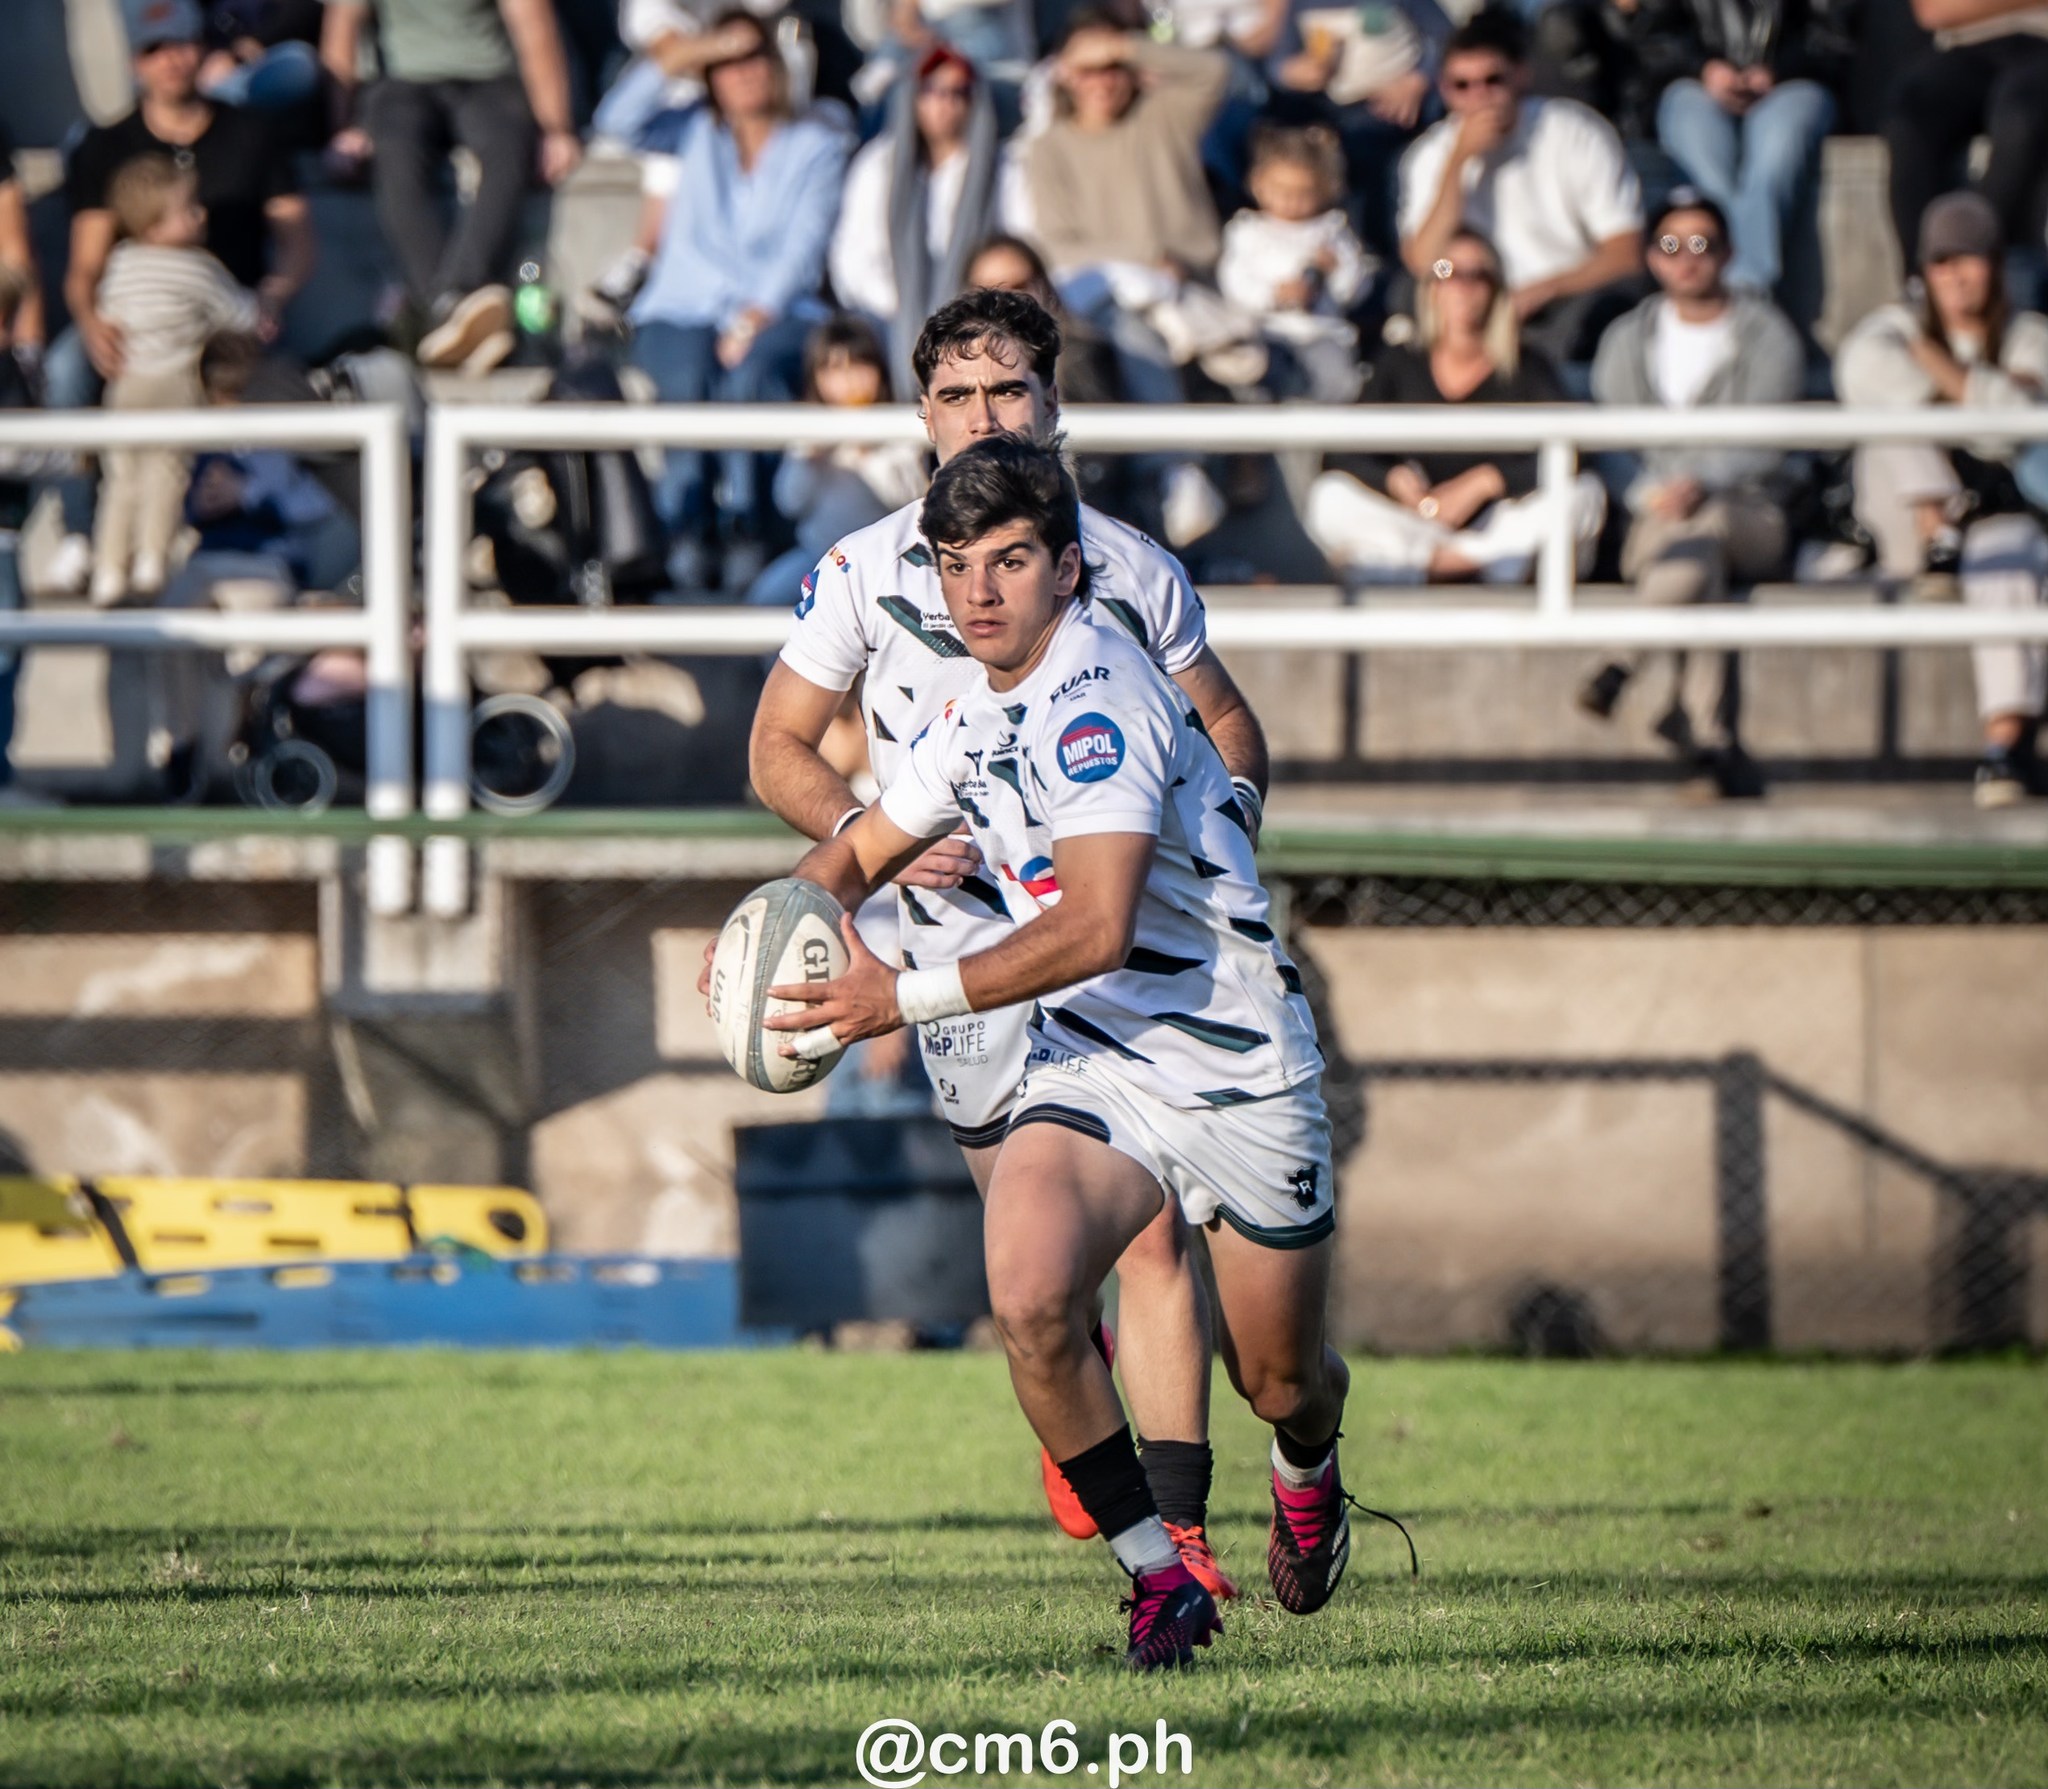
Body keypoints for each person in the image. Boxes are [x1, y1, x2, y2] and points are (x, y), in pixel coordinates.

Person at [758, 435, 1402, 1667]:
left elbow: (1096, 925)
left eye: (1009, 561)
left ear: (1067, 571)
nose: (978, 591)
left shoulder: (1095, 690)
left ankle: (1306, 1466)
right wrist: (775, 927)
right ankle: (1160, 1578)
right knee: (1031, 1298)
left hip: (1236, 1065)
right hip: (1096, 1060)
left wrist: (903, 993)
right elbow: (859, 847)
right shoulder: (966, 711)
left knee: (1275, 1377)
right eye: (954, 566)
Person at [747, 287, 1270, 1597]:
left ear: (1054, 404)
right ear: (921, 416)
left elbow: (1227, 722)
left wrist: (1228, 832)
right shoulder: (866, 571)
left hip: (1115, 955)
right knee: (1029, 1264)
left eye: (1010, 392)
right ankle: (1075, 1361)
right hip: (948, 961)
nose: (985, 416)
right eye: (958, 397)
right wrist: (875, 835)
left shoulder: (1130, 566)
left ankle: (1182, 1532)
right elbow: (775, 752)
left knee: (1150, 1233)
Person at [47, 0, 314, 595]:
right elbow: (83, 267)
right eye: (154, 48)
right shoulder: (105, 144)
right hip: (140, 329)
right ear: (135, 61)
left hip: (226, 320)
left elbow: (297, 242)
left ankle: (240, 523)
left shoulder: (252, 132)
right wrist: (92, 323)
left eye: (181, 43)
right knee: (65, 367)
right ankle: (80, 533)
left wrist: (273, 294)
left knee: (273, 373)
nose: (171, 60)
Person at [1581, 189, 1803, 796]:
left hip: (1750, 511)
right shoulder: (1626, 338)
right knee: (1697, 555)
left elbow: (1770, 441)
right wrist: (1656, 495)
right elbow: (1613, 444)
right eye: (1672, 245)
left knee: (1701, 528)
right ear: (1653, 257)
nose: (1688, 258)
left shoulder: (1767, 333)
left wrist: (1701, 482)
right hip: (1657, 519)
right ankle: (1710, 739)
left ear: (1727, 252)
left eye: (1701, 244)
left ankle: (1622, 659)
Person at [1836, 190, 2048, 808]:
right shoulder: (1887, 329)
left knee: (2006, 555)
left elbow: (2014, 426)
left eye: (1971, 258)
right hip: (1905, 519)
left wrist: (1934, 368)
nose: (1956, 275)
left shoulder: (2029, 334)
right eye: (1942, 261)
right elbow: (1863, 375)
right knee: (1895, 428)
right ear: (1923, 271)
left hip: (1997, 520)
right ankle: (1938, 535)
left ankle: (2003, 749)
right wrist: (1975, 403)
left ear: (1997, 264)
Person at [628, 9, 851, 591]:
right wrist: (699, 47)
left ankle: (751, 530)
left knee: (754, 373)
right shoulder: (689, 131)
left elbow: (805, 242)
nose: (742, 71)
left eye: (753, 56)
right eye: (726, 63)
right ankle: (685, 529)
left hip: (779, 309)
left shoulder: (819, 137)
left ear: (776, 65)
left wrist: (756, 313)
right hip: (682, 305)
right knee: (684, 373)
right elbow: (614, 118)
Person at [1023, 10, 1234, 545]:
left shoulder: (1163, 116)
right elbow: (1058, 244)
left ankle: (1182, 469)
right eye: (1088, 70)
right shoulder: (1048, 149)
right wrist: (1146, 255)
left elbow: (1214, 72)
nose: (1102, 81)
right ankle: (1177, 467)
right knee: (1132, 331)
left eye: (1111, 68)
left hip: (1193, 289)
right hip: (1107, 300)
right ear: (1065, 74)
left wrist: (1125, 46)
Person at [1304, 226, 1605, 584]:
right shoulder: (1400, 362)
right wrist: (1394, 480)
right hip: (1417, 524)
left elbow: (1579, 448)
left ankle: (1458, 567)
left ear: (1497, 289)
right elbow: (1340, 451)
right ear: (1430, 287)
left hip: (1497, 526)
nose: (1461, 286)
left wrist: (1488, 481)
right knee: (1330, 498)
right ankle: (1442, 566)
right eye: (1447, 272)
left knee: (1582, 495)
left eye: (1477, 275)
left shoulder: (1526, 366)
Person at [319, 0, 584, 372]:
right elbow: (342, 25)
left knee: (509, 148)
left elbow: (534, 25)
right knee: (395, 156)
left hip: (489, 79)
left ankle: (454, 301)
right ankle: (455, 309)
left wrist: (556, 128)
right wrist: (341, 127)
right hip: (402, 83)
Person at [1397, 5, 1644, 370]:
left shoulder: (1575, 131)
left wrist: (1541, 290)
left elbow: (1625, 253)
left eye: (1493, 80)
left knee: (1608, 308)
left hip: (1568, 294)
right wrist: (1459, 162)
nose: (1479, 96)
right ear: (1445, 91)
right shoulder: (1431, 155)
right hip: (1473, 292)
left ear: (1521, 76)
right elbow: (1424, 261)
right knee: (1406, 296)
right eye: (1462, 85)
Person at [88, 155, 267, 607]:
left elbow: (109, 314)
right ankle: (151, 559)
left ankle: (108, 569)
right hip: (174, 382)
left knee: (122, 477)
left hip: (125, 384)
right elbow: (241, 315)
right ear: (152, 225)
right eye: (188, 209)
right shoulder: (198, 268)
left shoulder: (121, 262)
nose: (201, 214)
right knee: (167, 472)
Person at [1650, 0, 1849, 332]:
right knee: (1705, 169)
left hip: (1794, 83)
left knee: (1772, 163)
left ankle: (1745, 300)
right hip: (1694, 84)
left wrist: (1776, 70)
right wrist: (1705, 67)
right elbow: (1656, 34)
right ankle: (1732, 299)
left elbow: (1834, 33)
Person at [829, 45, 999, 393]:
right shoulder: (878, 165)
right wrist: (910, 308)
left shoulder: (1000, 168)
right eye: (932, 91)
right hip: (888, 313)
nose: (944, 104)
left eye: (958, 92)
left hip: (974, 315)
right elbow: (852, 262)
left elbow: (1012, 250)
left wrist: (955, 311)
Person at [741, 314, 928, 608]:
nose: (848, 379)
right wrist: (808, 460)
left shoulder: (898, 425)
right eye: (833, 369)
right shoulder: (812, 429)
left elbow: (908, 499)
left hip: (887, 559)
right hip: (820, 554)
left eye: (859, 365)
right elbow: (789, 503)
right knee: (766, 598)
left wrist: (870, 457)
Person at [1883, 0, 2048, 305]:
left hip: (2041, 47)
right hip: (1964, 48)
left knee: (2020, 121)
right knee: (1910, 119)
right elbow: (1933, 9)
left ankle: (1974, 262)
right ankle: (1923, 284)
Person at [1217, 122, 1373, 401]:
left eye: (1302, 193)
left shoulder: (1333, 232)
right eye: (1280, 189)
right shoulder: (1247, 231)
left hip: (1320, 333)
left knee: (1338, 384)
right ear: (1258, 183)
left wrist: (1335, 271)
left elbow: (1356, 287)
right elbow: (1234, 280)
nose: (1290, 201)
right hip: (1265, 333)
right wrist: (1274, 295)